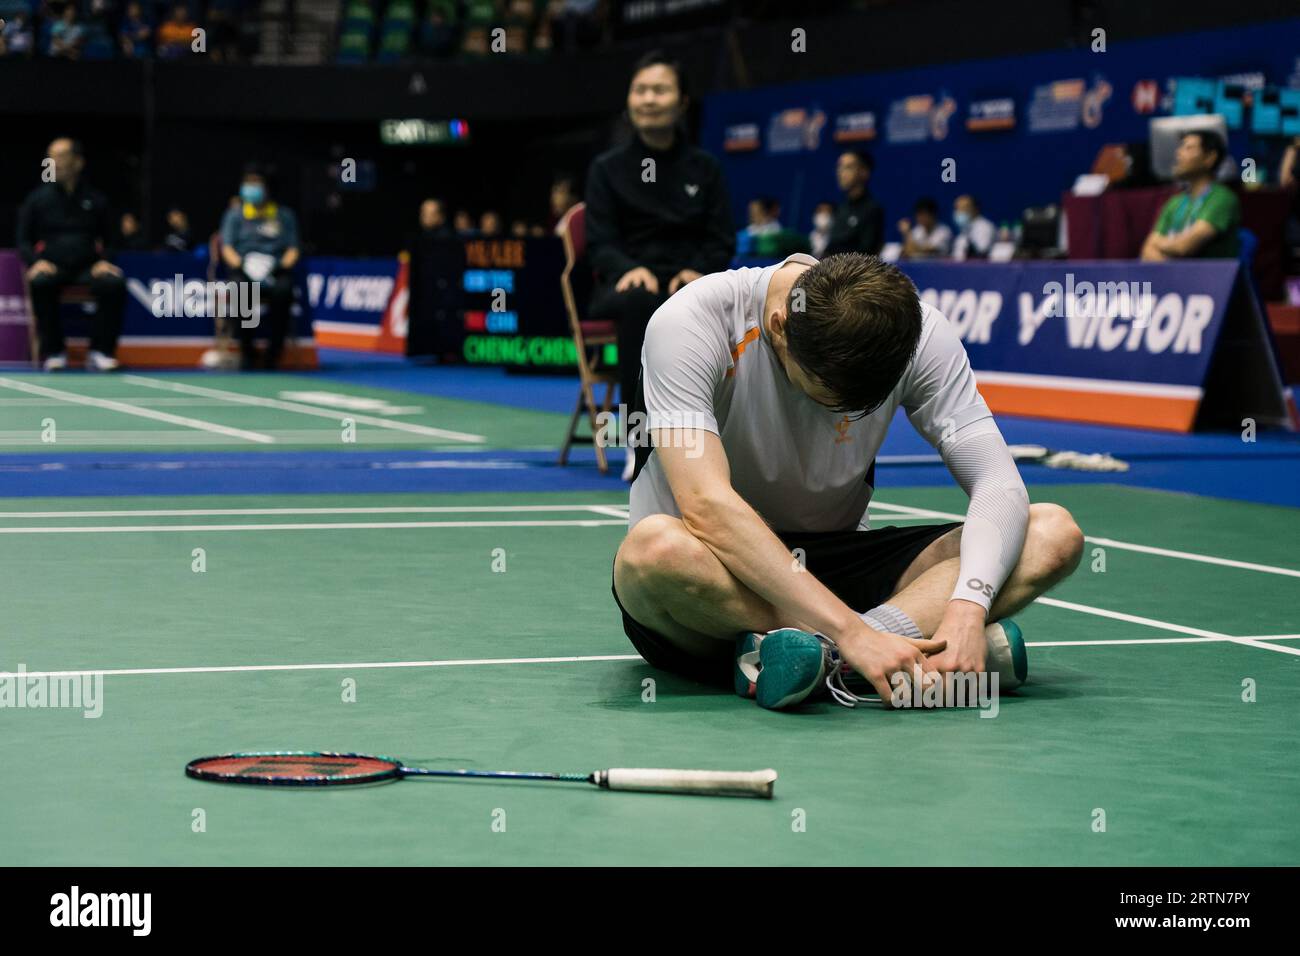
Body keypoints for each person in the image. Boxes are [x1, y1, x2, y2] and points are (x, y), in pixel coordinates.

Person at [611, 251, 1084, 710]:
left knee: (1050, 533)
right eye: (829, 399)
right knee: (653, 549)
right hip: (717, 578)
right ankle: (893, 653)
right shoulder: (691, 322)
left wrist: (968, 606)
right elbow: (706, 506)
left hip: (842, 562)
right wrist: (854, 634)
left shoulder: (915, 330)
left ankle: (803, 660)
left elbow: (998, 483)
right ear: (780, 327)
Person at [584, 50, 735, 479]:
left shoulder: (704, 169)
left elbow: (721, 239)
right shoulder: (607, 169)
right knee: (641, 302)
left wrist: (698, 272)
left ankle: (720, 439)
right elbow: (599, 241)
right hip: (626, 285)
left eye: (660, 90)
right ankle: (641, 440)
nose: (648, 99)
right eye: (640, 90)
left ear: (682, 102)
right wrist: (626, 267)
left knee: (717, 304)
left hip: (690, 282)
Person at [17, 138, 126, 372]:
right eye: (51, 156)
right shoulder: (38, 199)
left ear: (78, 162)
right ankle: (54, 352)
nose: (53, 162)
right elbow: (23, 241)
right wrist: (36, 262)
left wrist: (104, 261)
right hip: (52, 266)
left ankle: (101, 352)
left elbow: (112, 239)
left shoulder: (95, 199)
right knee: (40, 282)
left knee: (114, 283)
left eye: (60, 156)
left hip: (88, 266)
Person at [219, 164, 300, 369]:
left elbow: (293, 249)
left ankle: (274, 351)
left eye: (256, 183)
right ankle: (247, 350)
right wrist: (245, 265)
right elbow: (227, 248)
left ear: (267, 188)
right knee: (242, 290)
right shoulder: (235, 215)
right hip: (245, 267)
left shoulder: (284, 215)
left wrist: (277, 267)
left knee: (284, 291)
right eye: (248, 183)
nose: (251, 188)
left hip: (275, 268)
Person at [1140, 130, 1240, 261]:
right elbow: (1147, 249)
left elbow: (1184, 247)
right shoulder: (1174, 202)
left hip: (1211, 279)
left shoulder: (1222, 199)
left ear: (1210, 157)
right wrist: (1173, 276)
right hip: (1175, 278)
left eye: (1189, 148)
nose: (1178, 153)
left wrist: (1160, 244)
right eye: (1181, 147)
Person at [823, 149, 884, 256]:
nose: (840, 172)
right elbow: (831, 245)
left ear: (863, 172)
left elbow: (867, 253)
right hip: (830, 269)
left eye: (848, 167)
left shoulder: (872, 209)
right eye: (839, 167)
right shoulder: (840, 208)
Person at [951, 194, 996, 260]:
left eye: (964, 208)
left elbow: (981, 253)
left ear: (975, 209)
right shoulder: (965, 228)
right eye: (957, 208)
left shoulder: (984, 227)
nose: (959, 212)